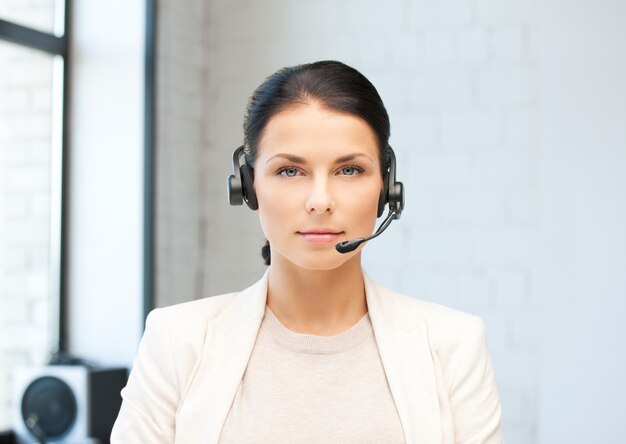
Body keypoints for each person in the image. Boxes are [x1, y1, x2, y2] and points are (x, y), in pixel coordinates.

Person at [111, 60, 504, 443]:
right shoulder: (176, 342)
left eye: (349, 170)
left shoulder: (453, 344)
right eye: (289, 171)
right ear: (247, 186)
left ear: (387, 189)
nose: (320, 201)